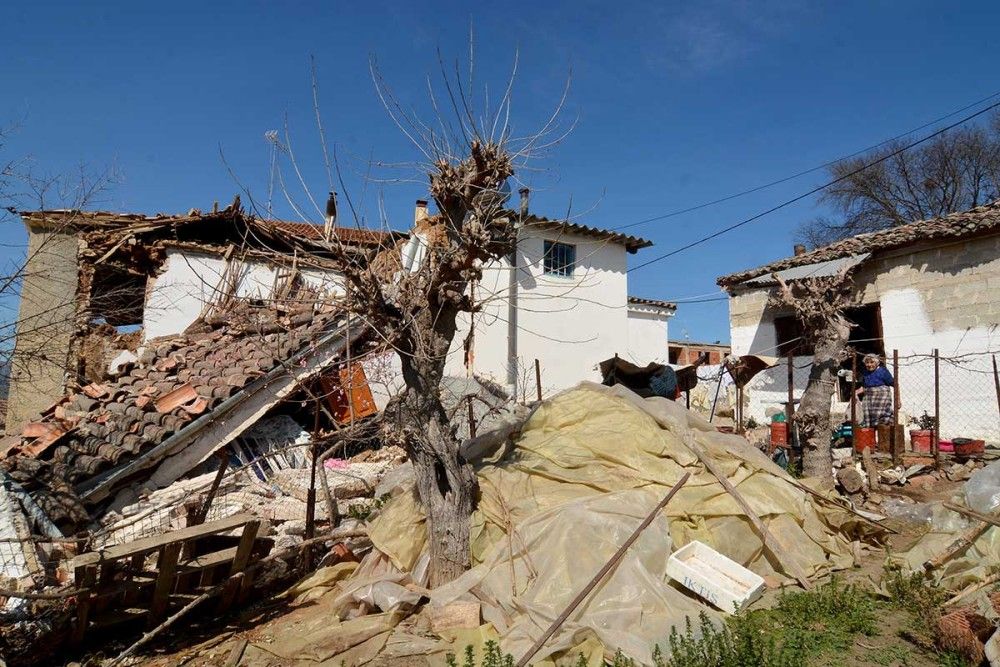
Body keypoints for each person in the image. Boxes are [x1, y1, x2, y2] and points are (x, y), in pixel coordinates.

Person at [855, 353, 894, 427]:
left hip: (881, 400)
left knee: (882, 421)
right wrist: (855, 392)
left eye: (872, 362)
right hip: (868, 400)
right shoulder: (865, 373)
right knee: (868, 422)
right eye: (867, 362)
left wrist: (898, 400)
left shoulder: (883, 372)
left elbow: (895, 384)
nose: (869, 365)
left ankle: (883, 436)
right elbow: (864, 387)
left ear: (877, 363)